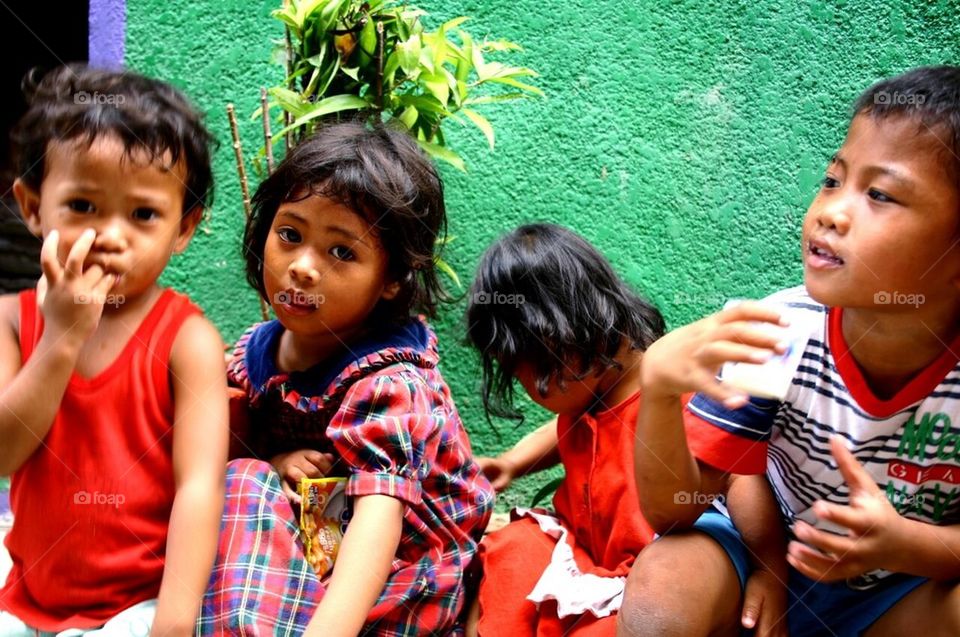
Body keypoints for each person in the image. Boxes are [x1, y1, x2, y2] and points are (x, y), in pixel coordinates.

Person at [630, 65, 960, 637]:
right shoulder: (779, 331)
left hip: (898, 588)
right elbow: (674, 512)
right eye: (834, 180)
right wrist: (657, 389)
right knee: (663, 591)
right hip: (760, 548)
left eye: (879, 193)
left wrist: (907, 545)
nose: (830, 211)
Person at [199, 122, 493, 636]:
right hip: (318, 545)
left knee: (245, 484)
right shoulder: (255, 353)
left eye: (342, 252)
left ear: (393, 278)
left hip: (398, 578)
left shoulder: (391, 381)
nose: (303, 268)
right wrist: (274, 463)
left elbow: (379, 519)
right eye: (289, 235)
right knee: (241, 478)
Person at [0, 65, 227, 635]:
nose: (110, 234)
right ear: (32, 207)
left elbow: (200, 486)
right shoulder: (10, 321)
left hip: (141, 606)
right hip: (26, 599)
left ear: (184, 227)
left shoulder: (187, 339)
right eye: (82, 205)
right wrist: (61, 337)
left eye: (144, 214)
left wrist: (173, 623)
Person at [463, 224, 774, 636]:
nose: (525, 388)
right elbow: (565, 431)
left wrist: (770, 568)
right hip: (584, 550)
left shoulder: (669, 395)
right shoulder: (585, 393)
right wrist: (512, 463)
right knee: (511, 549)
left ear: (558, 348)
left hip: (642, 576)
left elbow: (739, 472)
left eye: (521, 372)